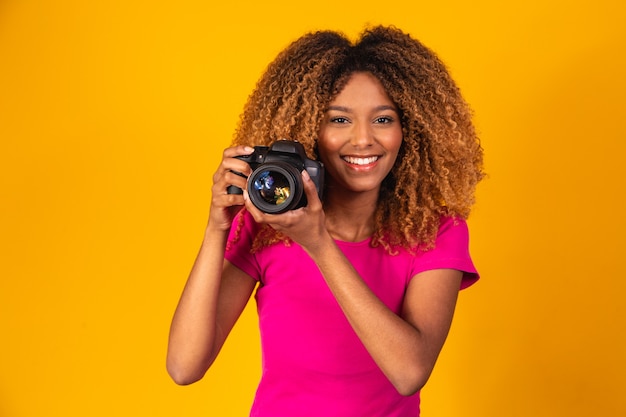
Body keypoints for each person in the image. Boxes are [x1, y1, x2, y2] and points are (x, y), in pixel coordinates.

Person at [167, 25, 484, 417]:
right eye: (339, 120)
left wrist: (319, 245)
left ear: (411, 130)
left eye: (383, 119)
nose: (363, 139)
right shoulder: (268, 228)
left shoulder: (437, 232)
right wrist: (217, 228)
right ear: (310, 128)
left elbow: (409, 371)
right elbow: (184, 366)